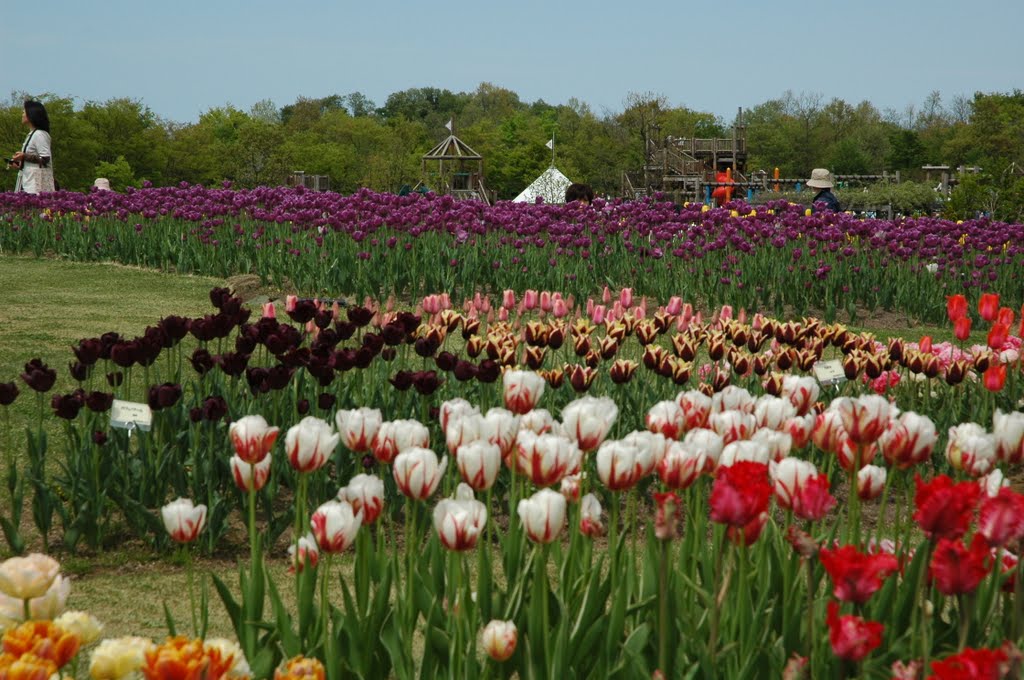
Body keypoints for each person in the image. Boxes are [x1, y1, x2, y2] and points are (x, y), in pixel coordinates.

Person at [7, 100, 55, 194]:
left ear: (31, 114)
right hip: (29, 182)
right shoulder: (32, 134)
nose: (22, 114)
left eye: (24, 112)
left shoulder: (40, 134)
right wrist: (20, 164)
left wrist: (24, 156)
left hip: (36, 186)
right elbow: (36, 161)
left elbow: (45, 159)